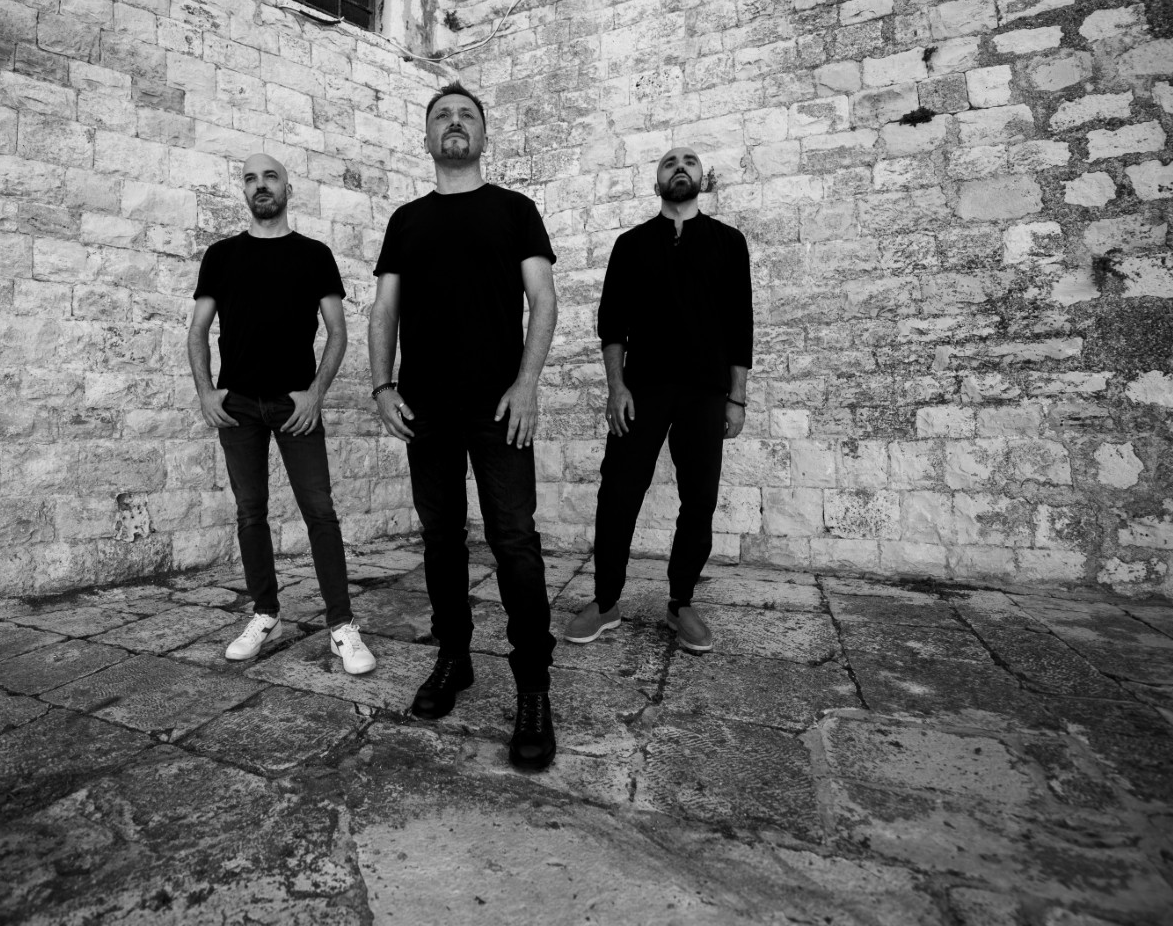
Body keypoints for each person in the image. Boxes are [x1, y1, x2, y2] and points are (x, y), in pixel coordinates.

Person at [367, 83, 559, 770]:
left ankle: (533, 686)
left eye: (466, 116)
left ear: (482, 135)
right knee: (442, 539)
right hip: (426, 407)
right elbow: (384, 309)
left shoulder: (515, 210)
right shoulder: (406, 220)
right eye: (442, 116)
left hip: (498, 405)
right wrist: (383, 385)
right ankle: (454, 656)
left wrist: (527, 383)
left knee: (515, 542)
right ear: (427, 138)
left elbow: (543, 299)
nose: (454, 123)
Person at [188, 152, 376, 675]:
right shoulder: (221, 256)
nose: (260, 185)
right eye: (251, 179)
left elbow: (337, 332)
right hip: (238, 407)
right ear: (244, 192)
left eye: (270, 176)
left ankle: (342, 626)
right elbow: (198, 330)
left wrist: (315, 394)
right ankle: (264, 613)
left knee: (320, 511)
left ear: (288, 189)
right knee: (250, 512)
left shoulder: (314, 255)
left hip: (296, 405)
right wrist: (207, 393)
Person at [564, 146, 753, 655]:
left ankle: (680, 603)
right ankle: (606, 601)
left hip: (706, 391)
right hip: (641, 390)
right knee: (618, 494)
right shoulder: (631, 244)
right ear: (657, 184)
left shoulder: (729, 243)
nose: (680, 167)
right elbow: (611, 324)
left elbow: (740, 323)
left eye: (689, 162)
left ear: (702, 179)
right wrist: (616, 387)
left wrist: (736, 398)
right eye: (670, 163)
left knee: (700, 497)